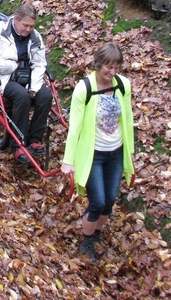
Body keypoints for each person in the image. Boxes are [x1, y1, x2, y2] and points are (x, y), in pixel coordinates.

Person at [61, 42, 135, 261]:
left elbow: (127, 120)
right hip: (94, 154)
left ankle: (96, 232)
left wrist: (130, 151)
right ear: (98, 64)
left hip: (116, 152)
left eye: (116, 68)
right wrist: (68, 160)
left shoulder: (123, 85)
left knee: (110, 199)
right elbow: (74, 126)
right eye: (108, 68)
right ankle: (86, 242)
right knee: (98, 201)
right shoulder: (85, 88)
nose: (112, 73)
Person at [0, 3, 53, 164]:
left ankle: (34, 139)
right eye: (25, 25)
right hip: (3, 77)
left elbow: (40, 64)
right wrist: (10, 66)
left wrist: (34, 86)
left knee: (46, 96)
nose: (28, 30)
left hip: (28, 78)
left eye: (31, 26)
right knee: (22, 97)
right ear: (16, 19)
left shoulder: (35, 37)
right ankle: (18, 143)